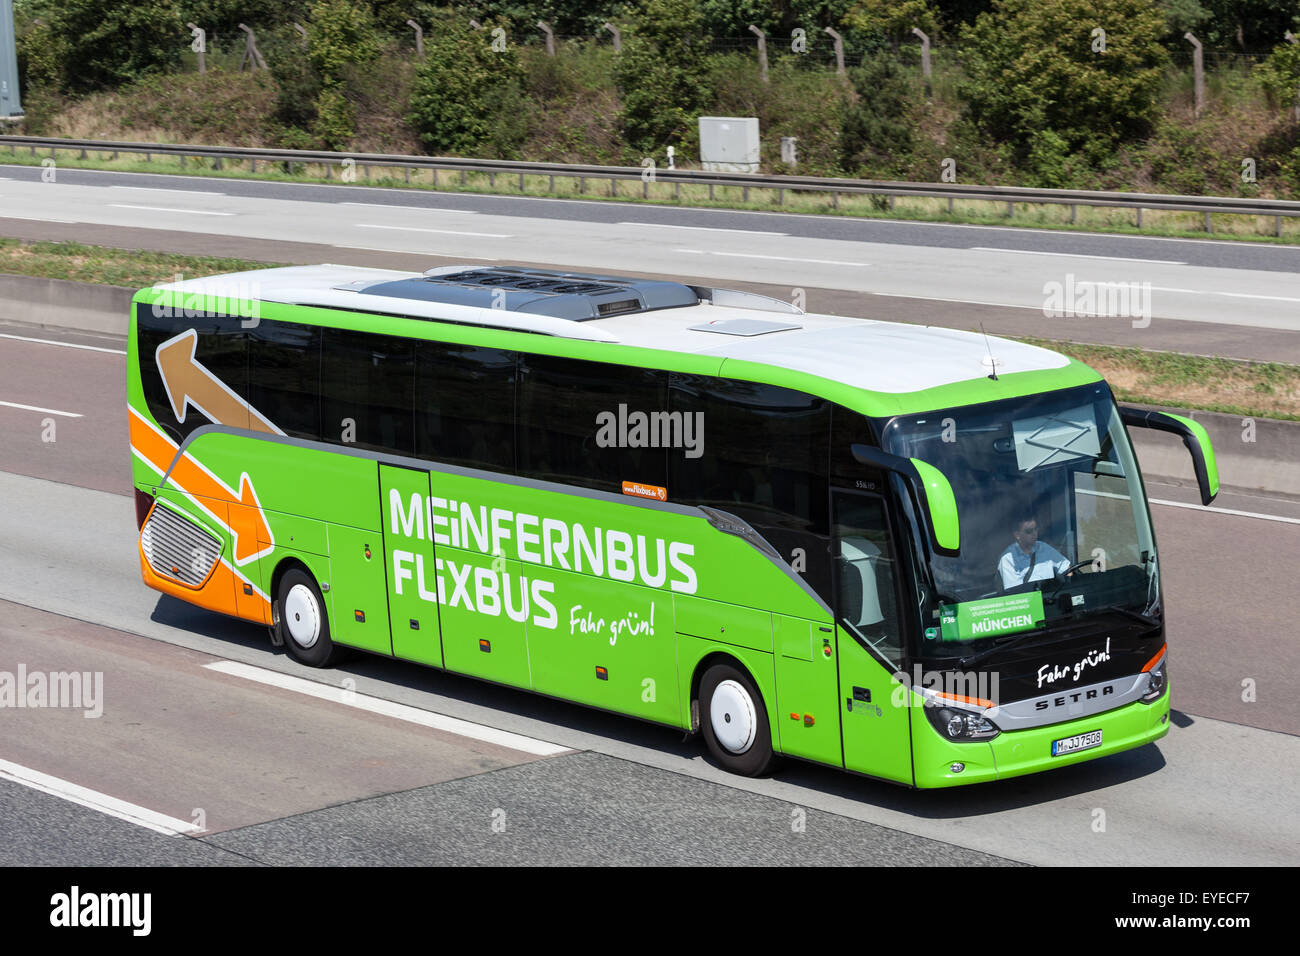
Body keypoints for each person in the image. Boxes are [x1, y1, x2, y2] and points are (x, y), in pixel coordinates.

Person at [998, 513, 1071, 589]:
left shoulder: (1044, 548)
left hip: (1051, 596)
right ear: (1017, 535)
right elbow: (1016, 592)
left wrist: (1070, 586)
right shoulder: (1008, 559)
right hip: (1030, 599)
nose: (1034, 534)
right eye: (1029, 531)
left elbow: (1067, 568)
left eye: (1036, 529)